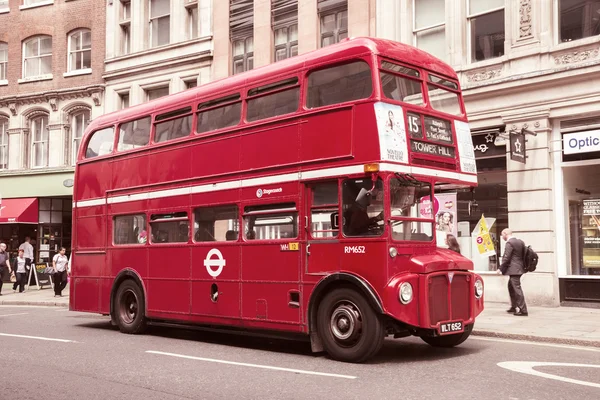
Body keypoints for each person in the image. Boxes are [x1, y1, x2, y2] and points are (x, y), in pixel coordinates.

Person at [498, 228, 528, 316]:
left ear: (505, 233)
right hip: (519, 268)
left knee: (516, 288)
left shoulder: (509, 243)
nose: (502, 236)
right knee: (511, 287)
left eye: (502, 234)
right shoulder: (520, 242)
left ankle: (523, 310)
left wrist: (500, 268)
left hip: (514, 269)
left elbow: (507, 257)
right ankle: (513, 306)